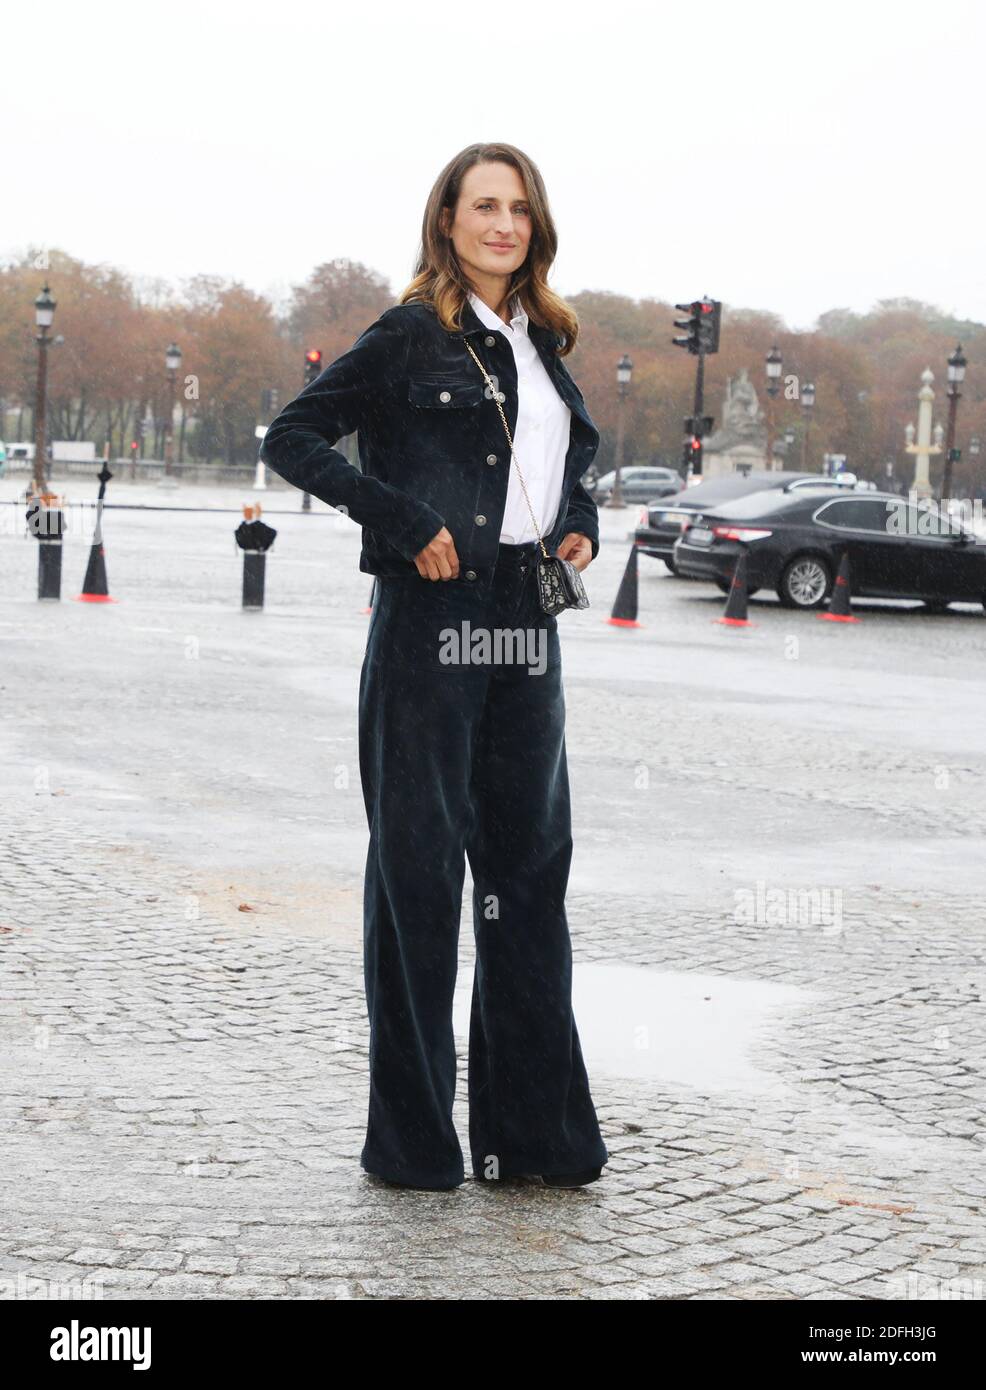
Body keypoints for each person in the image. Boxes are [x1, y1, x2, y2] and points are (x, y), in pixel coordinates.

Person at [262, 142, 608, 1190]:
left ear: (534, 226)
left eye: (518, 209)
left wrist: (579, 522)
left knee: (527, 876)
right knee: (419, 881)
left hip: (523, 621)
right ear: (447, 221)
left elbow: (559, 467)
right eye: (482, 206)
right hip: (432, 618)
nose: (502, 224)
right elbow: (294, 436)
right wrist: (402, 519)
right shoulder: (412, 334)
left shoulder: (543, 339)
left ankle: (531, 1140)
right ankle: (413, 1147)